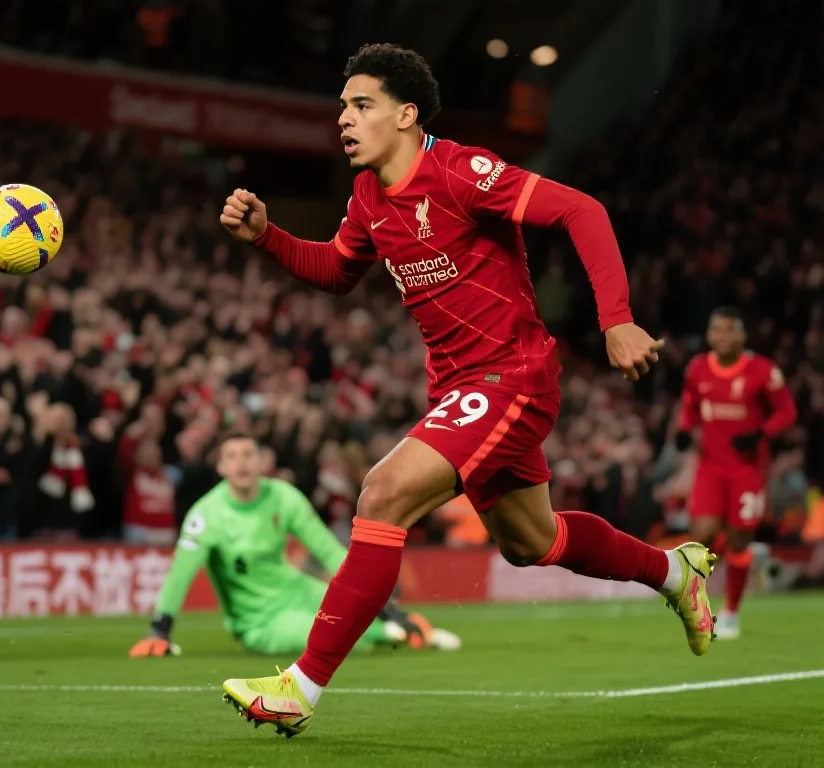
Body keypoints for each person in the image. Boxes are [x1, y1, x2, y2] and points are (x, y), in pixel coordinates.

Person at [217, 43, 717, 736]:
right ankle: (674, 572)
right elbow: (336, 271)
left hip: (512, 376)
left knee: (382, 494)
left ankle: (299, 688)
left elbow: (583, 210)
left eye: (361, 105)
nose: (344, 119)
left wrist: (617, 320)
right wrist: (267, 236)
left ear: (406, 114)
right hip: (462, 389)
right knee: (532, 541)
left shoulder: (460, 172)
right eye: (342, 108)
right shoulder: (368, 198)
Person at [128, 431, 460, 658]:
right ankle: (399, 634)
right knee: (330, 635)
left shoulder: (283, 496)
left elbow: (328, 551)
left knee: (352, 612)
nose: (241, 463)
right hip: (261, 622)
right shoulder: (206, 515)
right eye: (232, 456)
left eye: (248, 455)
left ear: (260, 461)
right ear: (221, 466)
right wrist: (160, 628)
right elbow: (181, 573)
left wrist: (381, 603)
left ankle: (403, 624)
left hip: (298, 591)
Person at [675, 307, 796, 639]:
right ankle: (696, 604)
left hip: (747, 470)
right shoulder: (698, 368)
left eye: (730, 330)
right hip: (710, 467)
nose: (723, 336)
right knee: (703, 533)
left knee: (739, 540)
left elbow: (786, 412)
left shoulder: (763, 371)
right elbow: (690, 404)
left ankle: (730, 611)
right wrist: (684, 429)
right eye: (717, 330)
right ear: (709, 335)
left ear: (742, 336)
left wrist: (761, 434)